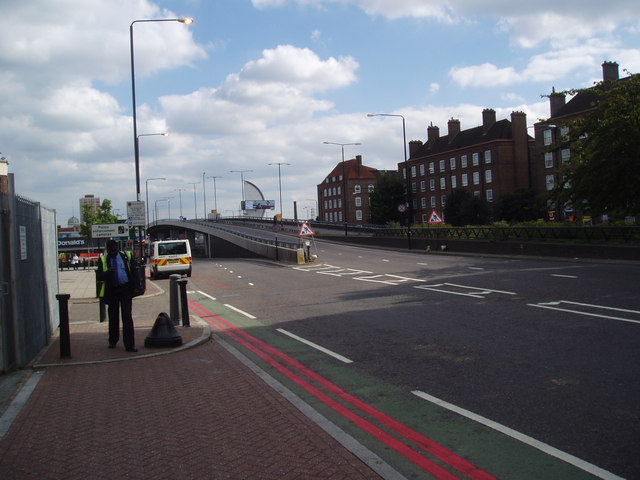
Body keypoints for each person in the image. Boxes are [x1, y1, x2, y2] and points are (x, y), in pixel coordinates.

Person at [96, 240, 140, 352]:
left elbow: (134, 272)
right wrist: (108, 273)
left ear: (117, 248)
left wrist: (136, 286)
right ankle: (113, 340)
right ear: (107, 250)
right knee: (113, 317)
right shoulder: (103, 259)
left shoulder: (126, 256)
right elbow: (99, 276)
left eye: (114, 250)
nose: (112, 252)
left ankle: (129, 345)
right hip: (112, 291)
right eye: (110, 251)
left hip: (125, 289)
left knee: (127, 317)